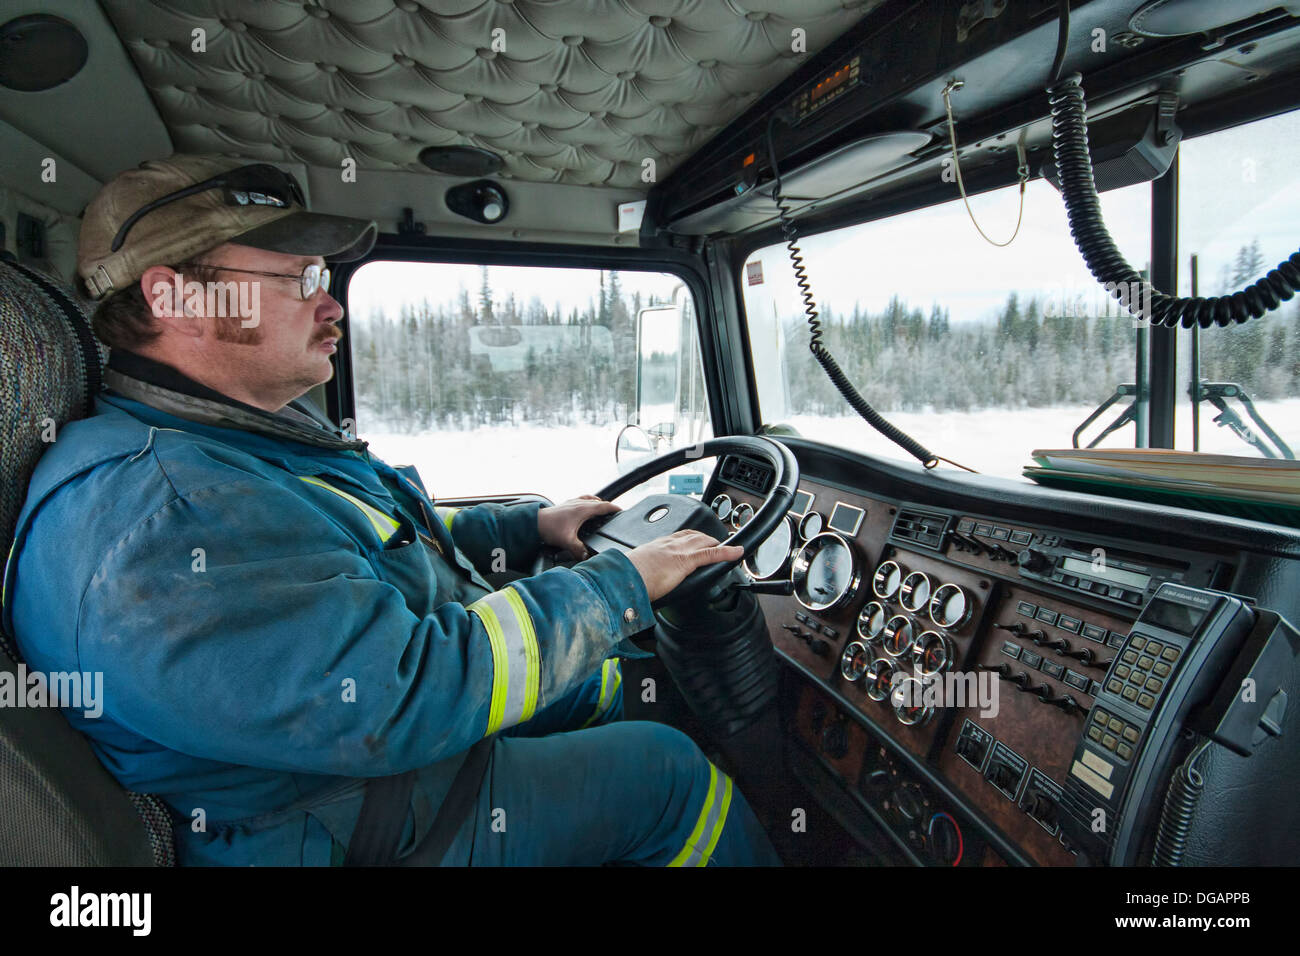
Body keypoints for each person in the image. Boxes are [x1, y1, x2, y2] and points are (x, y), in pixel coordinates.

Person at [2, 154, 781, 866]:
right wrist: (620, 586)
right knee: (670, 777)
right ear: (174, 297)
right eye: (299, 280)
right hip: (339, 818)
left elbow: (355, 551)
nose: (331, 303)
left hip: (360, 761)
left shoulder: (229, 439)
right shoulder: (158, 517)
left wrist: (520, 528)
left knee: (615, 683)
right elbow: (401, 694)